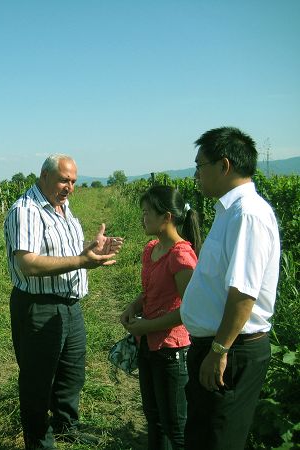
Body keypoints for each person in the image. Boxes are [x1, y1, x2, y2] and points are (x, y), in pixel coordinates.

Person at [4, 153, 124, 450]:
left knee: (72, 373)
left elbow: (64, 251)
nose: (69, 186)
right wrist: (82, 260)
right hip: (39, 306)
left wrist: (91, 249)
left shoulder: (64, 208)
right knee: (37, 381)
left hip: (70, 305)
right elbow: (28, 263)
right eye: (63, 179)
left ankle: (66, 428)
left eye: (73, 180)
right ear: (44, 176)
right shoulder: (27, 210)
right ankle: (39, 441)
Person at [180, 126, 281, 450]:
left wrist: (219, 350)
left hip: (231, 351)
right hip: (218, 348)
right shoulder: (230, 212)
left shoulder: (247, 215)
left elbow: (243, 294)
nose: (196, 174)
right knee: (204, 436)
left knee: (218, 440)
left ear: (224, 166)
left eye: (200, 166)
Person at [120, 185, 202, 450]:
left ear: (166, 217)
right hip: (148, 345)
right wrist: (134, 306)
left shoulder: (181, 256)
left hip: (171, 350)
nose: (143, 218)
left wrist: (148, 326)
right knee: (154, 417)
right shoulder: (152, 249)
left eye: (147, 213)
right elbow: (152, 292)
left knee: (175, 427)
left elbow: (188, 311)